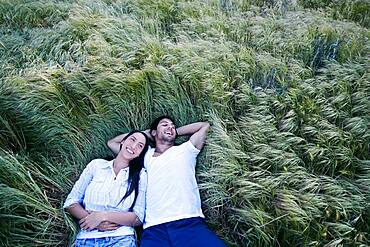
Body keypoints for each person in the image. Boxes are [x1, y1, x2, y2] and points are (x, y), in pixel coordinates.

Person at [108, 116, 226, 247]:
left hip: (188, 222)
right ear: (154, 132)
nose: (170, 127)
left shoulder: (186, 149)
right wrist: (146, 134)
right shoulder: (146, 155)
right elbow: (112, 143)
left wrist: (174, 131)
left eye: (172, 125)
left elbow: (204, 126)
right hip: (154, 230)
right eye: (164, 124)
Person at [64, 131, 149, 247]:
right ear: (123, 141)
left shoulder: (140, 175)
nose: (133, 146)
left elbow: (138, 217)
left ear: (140, 154)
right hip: (86, 238)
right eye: (132, 139)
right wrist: (93, 221)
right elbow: (70, 202)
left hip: (121, 239)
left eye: (140, 146)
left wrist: (103, 216)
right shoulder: (96, 165)